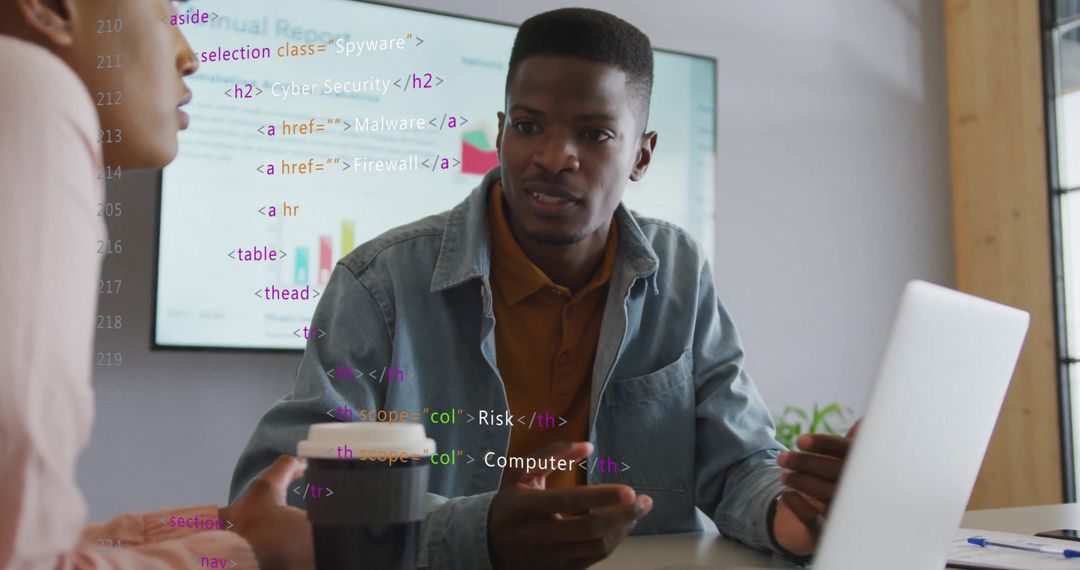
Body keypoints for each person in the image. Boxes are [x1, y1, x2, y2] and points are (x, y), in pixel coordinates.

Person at [230, 7, 857, 569]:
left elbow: (738, 461)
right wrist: (477, 533)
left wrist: (797, 517)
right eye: (529, 126)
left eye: (595, 134)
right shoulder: (382, 281)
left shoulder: (679, 271)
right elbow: (281, 496)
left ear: (642, 155)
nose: (554, 156)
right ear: (501, 134)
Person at [0, 0, 313, 568]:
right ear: (49, 8)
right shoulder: (27, 85)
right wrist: (249, 555)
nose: (189, 57)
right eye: (167, 12)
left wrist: (204, 530)